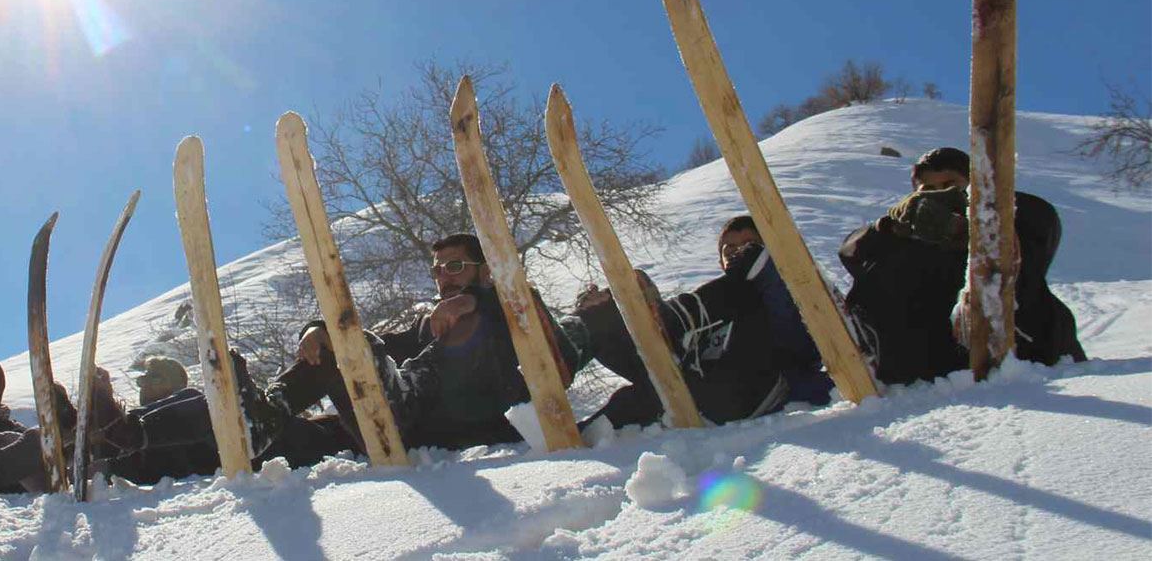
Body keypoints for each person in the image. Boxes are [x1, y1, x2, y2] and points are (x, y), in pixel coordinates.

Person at [260, 233, 588, 452]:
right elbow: (375, 350)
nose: (445, 276)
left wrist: (475, 300)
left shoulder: (513, 312)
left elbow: (547, 336)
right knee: (336, 357)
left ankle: (403, 396)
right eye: (438, 271)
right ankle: (258, 422)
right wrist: (318, 331)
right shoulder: (426, 326)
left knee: (467, 327)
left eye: (455, 267)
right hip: (405, 427)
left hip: (473, 429)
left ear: (485, 272)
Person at [839, 147, 1084, 384]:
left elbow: (1040, 223)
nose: (939, 195)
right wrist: (887, 227)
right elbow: (851, 253)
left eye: (950, 185)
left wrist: (966, 223)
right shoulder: (909, 235)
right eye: (929, 189)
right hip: (942, 369)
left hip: (1033, 358)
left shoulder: (1016, 215)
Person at [572, 216, 832, 430]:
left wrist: (760, 261)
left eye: (748, 244)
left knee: (752, 284)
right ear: (720, 260)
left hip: (760, 387)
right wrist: (603, 319)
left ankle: (669, 318)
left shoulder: (783, 296)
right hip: (707, 395)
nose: (736, 251)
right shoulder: (719, 311)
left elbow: (803, 341)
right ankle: (574, 351)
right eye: (729, 249)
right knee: (644, 388)